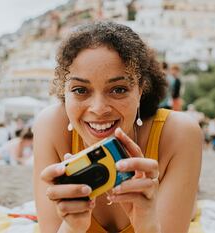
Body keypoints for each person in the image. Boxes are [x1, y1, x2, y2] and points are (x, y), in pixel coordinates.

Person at [33, 22, 202, 233]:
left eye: (118, 89)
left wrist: (147, 225)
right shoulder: (49, 126)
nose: (98, 108)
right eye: (80, 90)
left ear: (140, 90)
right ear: (63, 92)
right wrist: (71, 227)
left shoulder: (180, 133)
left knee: (192, 208)